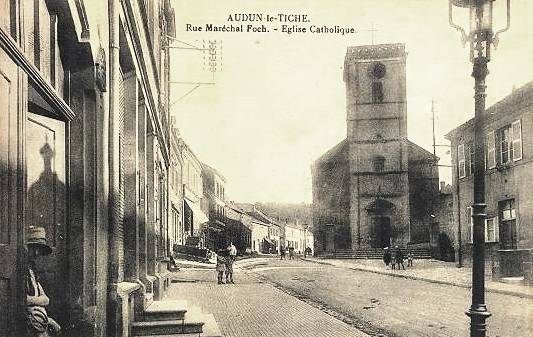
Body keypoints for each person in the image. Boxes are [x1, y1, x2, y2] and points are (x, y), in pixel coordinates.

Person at [26, 226, 61, 337]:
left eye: (39, 249)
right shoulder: (19, 271)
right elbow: (21, 300)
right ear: (26, 248)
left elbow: (46, 299)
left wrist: (47, 319)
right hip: (29, 320)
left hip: (40, 318)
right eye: (33, 248)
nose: (36, 253)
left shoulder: (32, 271)